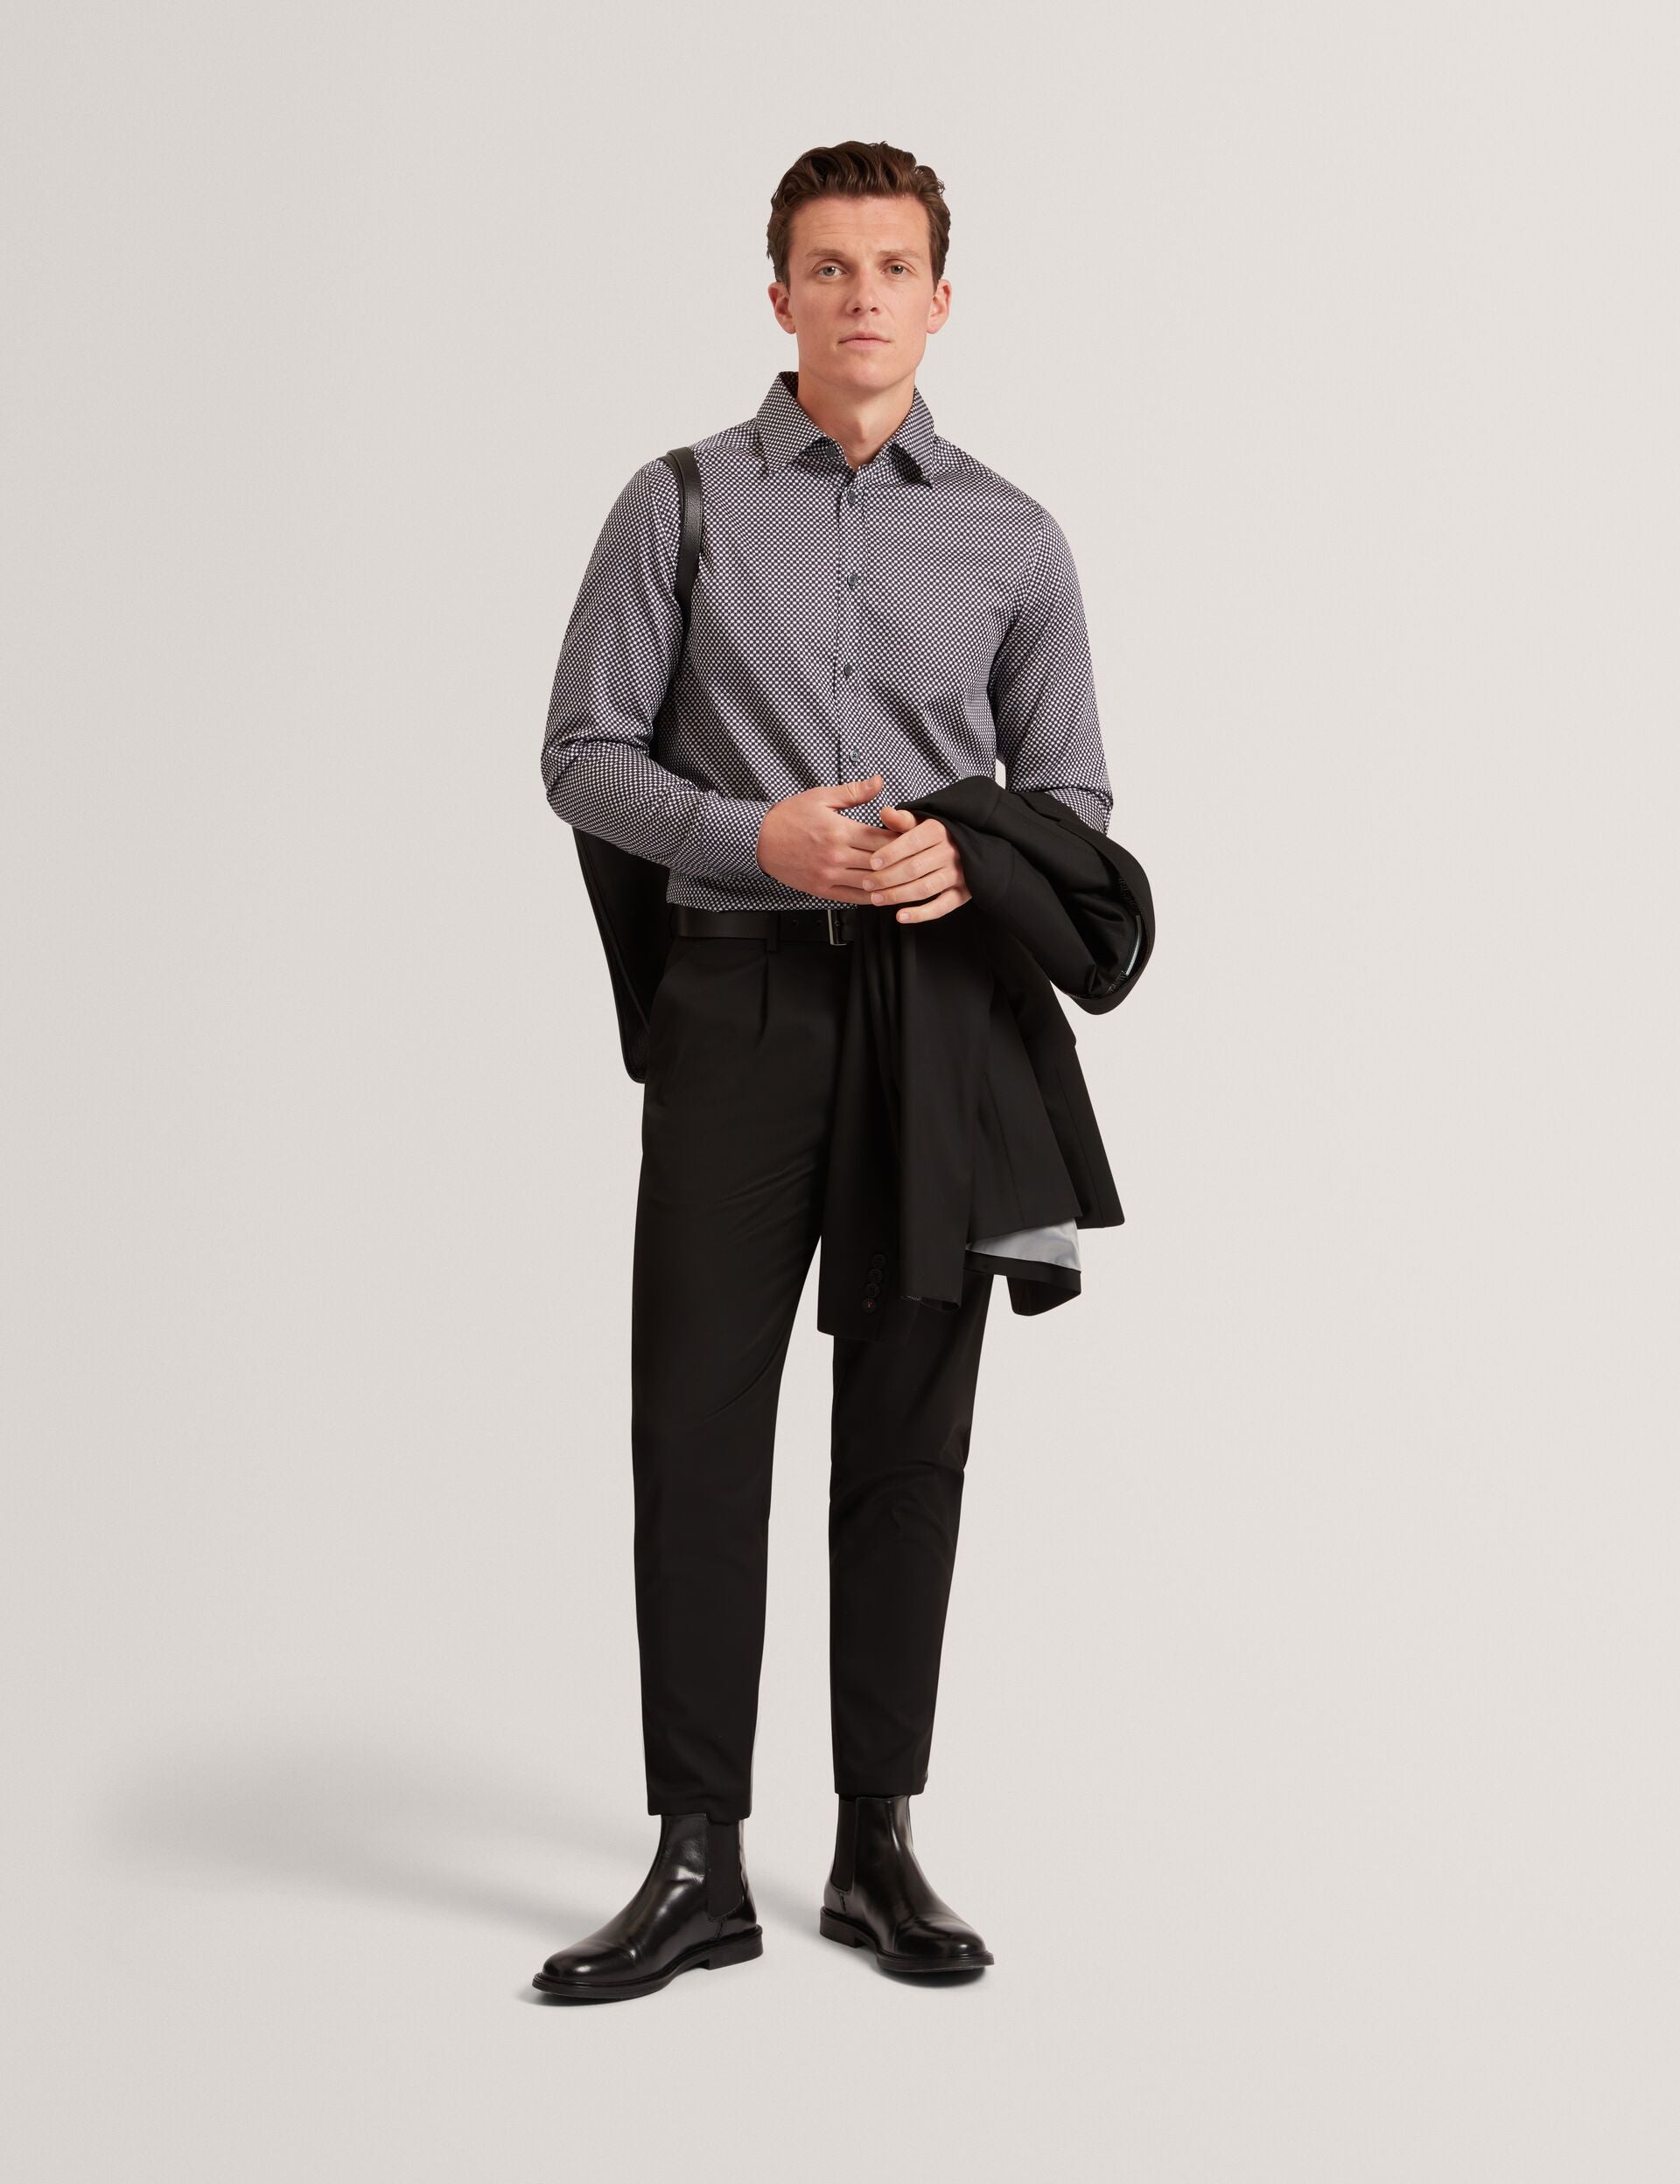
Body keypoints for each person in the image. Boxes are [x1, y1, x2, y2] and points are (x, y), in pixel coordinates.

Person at [534, 138, 1115, 2001]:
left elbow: (1074, 798)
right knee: (697, 1425)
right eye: (829, 266)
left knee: (910, 1436)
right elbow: (581, 752)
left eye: (893, 267)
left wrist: (975, 860)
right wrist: (752, 839)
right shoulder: (680, 503)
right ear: (778, 293)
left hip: (940, 1028)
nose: (863, 296)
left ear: (943, 298)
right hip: (739, 1009)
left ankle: (877, 1845)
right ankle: (697, 1857)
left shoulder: (1015, 538)